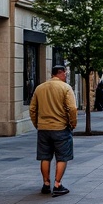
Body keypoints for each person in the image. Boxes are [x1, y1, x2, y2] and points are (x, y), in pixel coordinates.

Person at [29, 63, 77, 196]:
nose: (66, 76)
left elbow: (32, 109)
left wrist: (37, 124)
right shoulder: (66, 88)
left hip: (43, 128)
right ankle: (57, 184)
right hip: (60, 127)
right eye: (65, 74)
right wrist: (72, 123)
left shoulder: (40, 88)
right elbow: (72, 108)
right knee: (62, 157)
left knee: (45, 156)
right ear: (61, 73)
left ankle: (46, 184)